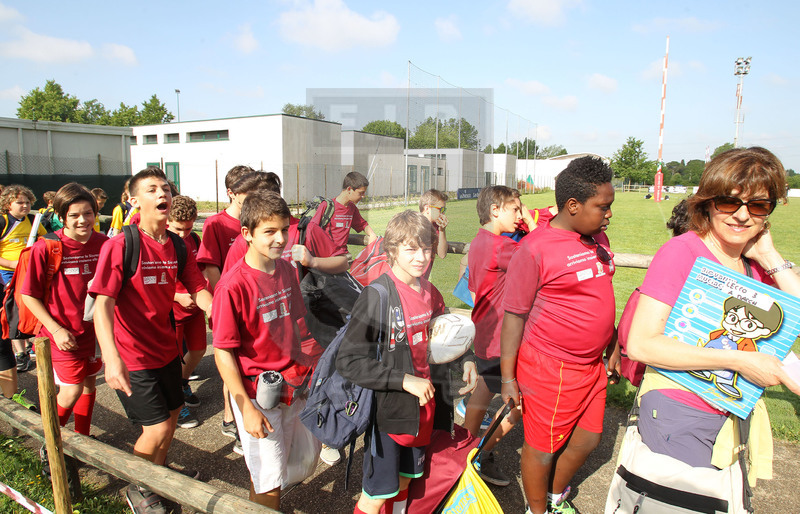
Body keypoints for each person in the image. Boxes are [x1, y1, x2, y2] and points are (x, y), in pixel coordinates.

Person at [626, 147, 800, 472]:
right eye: (729, 202)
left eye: (758, 205)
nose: (743, 215)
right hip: (680, 410)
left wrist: (770, 256)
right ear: (707, 202)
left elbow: (793, 317)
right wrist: (740, 361)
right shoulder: (682, 252)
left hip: (731, 412)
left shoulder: (754, 263)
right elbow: (641, 344)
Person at [337, 210, 477, 514]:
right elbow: (348, 360)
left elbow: (446, 334)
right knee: (375, 495)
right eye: (411, 249)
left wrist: (465, 359)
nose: (421, 257)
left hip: (425, 411)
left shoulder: (431, 293)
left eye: (426, 248)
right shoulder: (377, 296)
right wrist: (404, 380)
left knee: (405, 482)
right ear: (392, 250)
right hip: (391, 414)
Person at [501, 156, 620, 514]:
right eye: (603, 207)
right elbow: (514, 317)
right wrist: (508, 378)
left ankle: (555, 496)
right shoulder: (535, 248)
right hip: (552, 368)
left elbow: (600, 295)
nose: (609, 215)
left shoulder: (597, 238)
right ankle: (537, 510)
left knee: (588, 439)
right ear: (573, 205)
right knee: (542, 449)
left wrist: (612, 343)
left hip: (592, 366)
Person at [90, 166, 212, 513]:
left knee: (171, 420)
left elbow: (198, 288)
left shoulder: (178, 244)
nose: (162, 194)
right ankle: (138, 487)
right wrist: (111, 358)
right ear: (134, 200)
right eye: (152, 189)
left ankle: (157, 477)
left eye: (166, 189)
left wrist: (219, 313)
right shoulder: (120, 245)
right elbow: (102, 306)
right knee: (156, 429)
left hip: (167, 351)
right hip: (132, 356)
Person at [212, 191, 309, 510]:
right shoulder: (232, 286)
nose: (280, 238)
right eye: (269, 231)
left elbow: (294, 326)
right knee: (268, 478)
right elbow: (223, 352)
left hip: (291, 386)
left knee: (275, 472)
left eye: (283, 229)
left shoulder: (286, 270)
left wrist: (304, 373)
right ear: (247, 233)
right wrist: (245, 408)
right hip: (257, 394)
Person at [196, 166, 272, 455]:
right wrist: (222, 302)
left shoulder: (257, 219)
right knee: (230, 359)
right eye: (249, 193)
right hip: (229, 301)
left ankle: (234, 417)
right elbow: (211, 267)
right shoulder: (216, 223)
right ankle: (232, 417)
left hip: (255, 303)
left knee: (245, 359)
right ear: (233, 193)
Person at [22, 183, 108, 436]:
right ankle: (50, 442)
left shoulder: (105, 243)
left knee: (89, 384)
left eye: (88, 213)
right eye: (74, 215)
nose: (83, 220)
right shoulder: (46, 247)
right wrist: (56, 330)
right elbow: (29, 295)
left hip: (94, 333)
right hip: (62, 335)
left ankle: (83, 438)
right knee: (71, 391)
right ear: (61, 217)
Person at [462, 185, 525, 487]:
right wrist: (536, 223)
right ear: (495, 210)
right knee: (520, 401)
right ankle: (482, 454)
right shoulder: (502, 247)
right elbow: (538, 256)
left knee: (484, 389)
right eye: (515, 209)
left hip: (484, 332)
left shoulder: (479, 241)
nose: (520, 215)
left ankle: (463, 450)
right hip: (502, 337)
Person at [167, 195, 205, 430]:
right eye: (178, 229)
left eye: (188, 229)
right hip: (172, 311)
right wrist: (177, 296)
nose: (183, 234)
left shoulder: (195, 239)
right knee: (173, 359)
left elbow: (198, 271)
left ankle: (181, 384)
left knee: (199, 349)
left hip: (194, 308)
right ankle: (176, 404)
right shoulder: (162, 242)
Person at [0, 184, 47, 372]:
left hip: (30, 271)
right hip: (8, 274)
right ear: (8, 204)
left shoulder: (33, 220)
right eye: (20, 202)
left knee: (34, 306)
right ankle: (21, 353)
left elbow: (46, 240)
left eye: (28, 202)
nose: (25, 206)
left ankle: (32, 344)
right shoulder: (3, 222)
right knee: (13, 311)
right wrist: (11, 264)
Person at [310, 171, 378, 255]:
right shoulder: (326, 206)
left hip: (343, 255)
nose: (363, 196)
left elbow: (362, 224)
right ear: (349, 189)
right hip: (326, 257)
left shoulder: (352, 208)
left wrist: (372, 234)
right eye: (360, 193)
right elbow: (312, 229)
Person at [418, 189, 449, 280]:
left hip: (422, 281)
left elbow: (442, 254)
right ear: (427, 209)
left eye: (444, 209)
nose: (443, 213)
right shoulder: (414, 225)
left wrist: (442, 230)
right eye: (441, 209)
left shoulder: (435, 226)